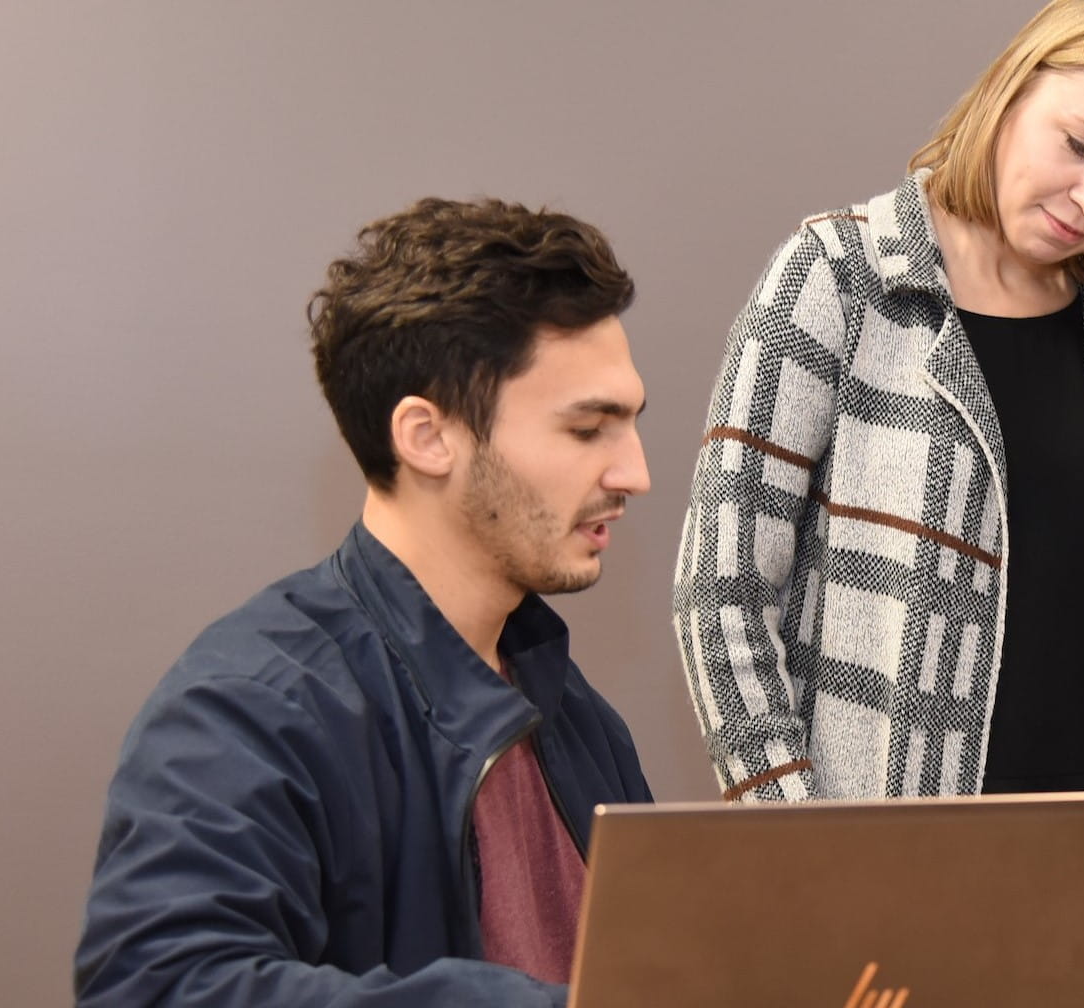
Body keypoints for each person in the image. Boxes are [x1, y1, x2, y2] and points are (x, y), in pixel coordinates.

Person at [670, 0, 1084, 990]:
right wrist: (812, 865)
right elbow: (719, 602)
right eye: (1082, 144)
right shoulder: (841, 278)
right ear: (1013, 90)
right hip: (877, 912)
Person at [76, 198, 654, 1007]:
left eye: (629, 425)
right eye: (589, 429)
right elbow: (162, 987)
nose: (635, 473)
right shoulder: (248, 708)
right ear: (426, 436)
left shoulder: (577, 716)